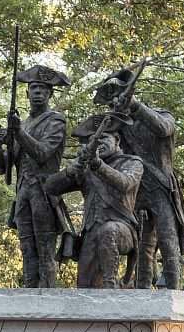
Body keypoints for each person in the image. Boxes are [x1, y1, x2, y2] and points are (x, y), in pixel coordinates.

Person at [93, 68, 184, 289]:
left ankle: (173, 290)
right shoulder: (116, 126)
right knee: (142, 244)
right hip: (135, 190)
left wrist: (135, 106)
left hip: (161, 188)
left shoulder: (159, 115)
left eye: (118, 95)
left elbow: (164, 128)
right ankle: (141, 290)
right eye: (111, 100)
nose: (115, 102)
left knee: (168, 240)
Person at [0, 65, 74, 288]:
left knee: (44, 248)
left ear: (50, 93)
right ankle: (29, 293)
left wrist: (18, 132)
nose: (38, 92)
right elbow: (4, 169)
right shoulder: (23, 124)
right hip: (23, 194)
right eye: (34, 88)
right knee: (27, 249)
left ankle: (46, 295)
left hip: (44, 193)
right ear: (27, 93)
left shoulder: (55, 121)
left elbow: (42, 153)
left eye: (43, 89)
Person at [45, 119, 143, 289]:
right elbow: (50, 187)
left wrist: (98, 165)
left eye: (103, 138)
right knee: (85, 286)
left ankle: (111, 287)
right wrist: (71, 170)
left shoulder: (132, 162)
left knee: (109, 231)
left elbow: (126, 183)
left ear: (117, 140)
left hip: (123, 230)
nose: (97, 144)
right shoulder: (86, 169)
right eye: (91, 141)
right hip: (91, 233)